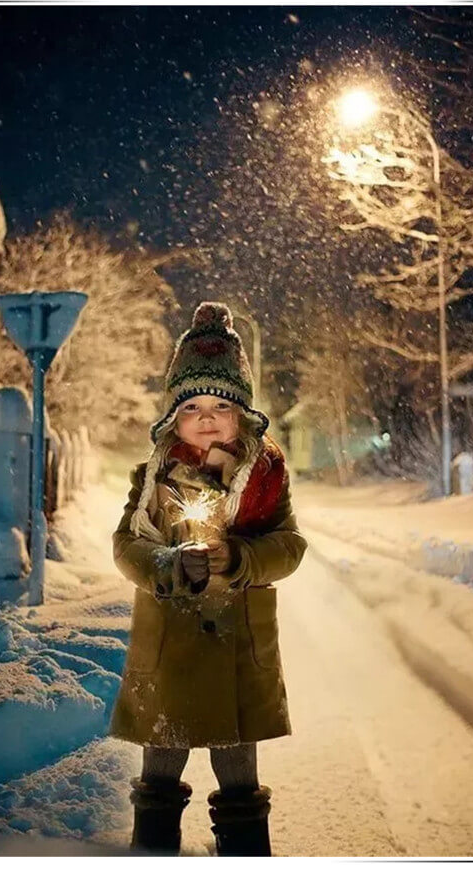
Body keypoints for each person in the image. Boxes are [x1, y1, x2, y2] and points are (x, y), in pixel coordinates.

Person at [108, 301, 308, 857]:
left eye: (220, 403)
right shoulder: (153, 477)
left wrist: (241, 558)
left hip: (238, 643)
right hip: (171, 642)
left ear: (243, 411)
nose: (205, 416)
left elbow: (290, 547)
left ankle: (245, 852)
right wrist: (166, 566)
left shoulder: (265, 477)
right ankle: (152, 851)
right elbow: (128, 546)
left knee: (238, 764)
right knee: (162, 760)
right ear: (173, 416)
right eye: (191, 404)